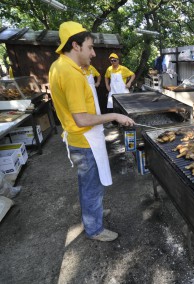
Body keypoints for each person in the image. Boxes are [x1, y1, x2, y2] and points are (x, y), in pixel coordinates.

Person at [49, 21, 135, 242]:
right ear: (76, 46)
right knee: (91, 186)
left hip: (82, 138)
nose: (94, 53)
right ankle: (94, 228)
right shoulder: (69, 73)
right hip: (84, 139)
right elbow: (82, 118)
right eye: (90, 47)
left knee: (88, 184)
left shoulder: (61, 66)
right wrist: (115, 116)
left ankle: (92, 214)